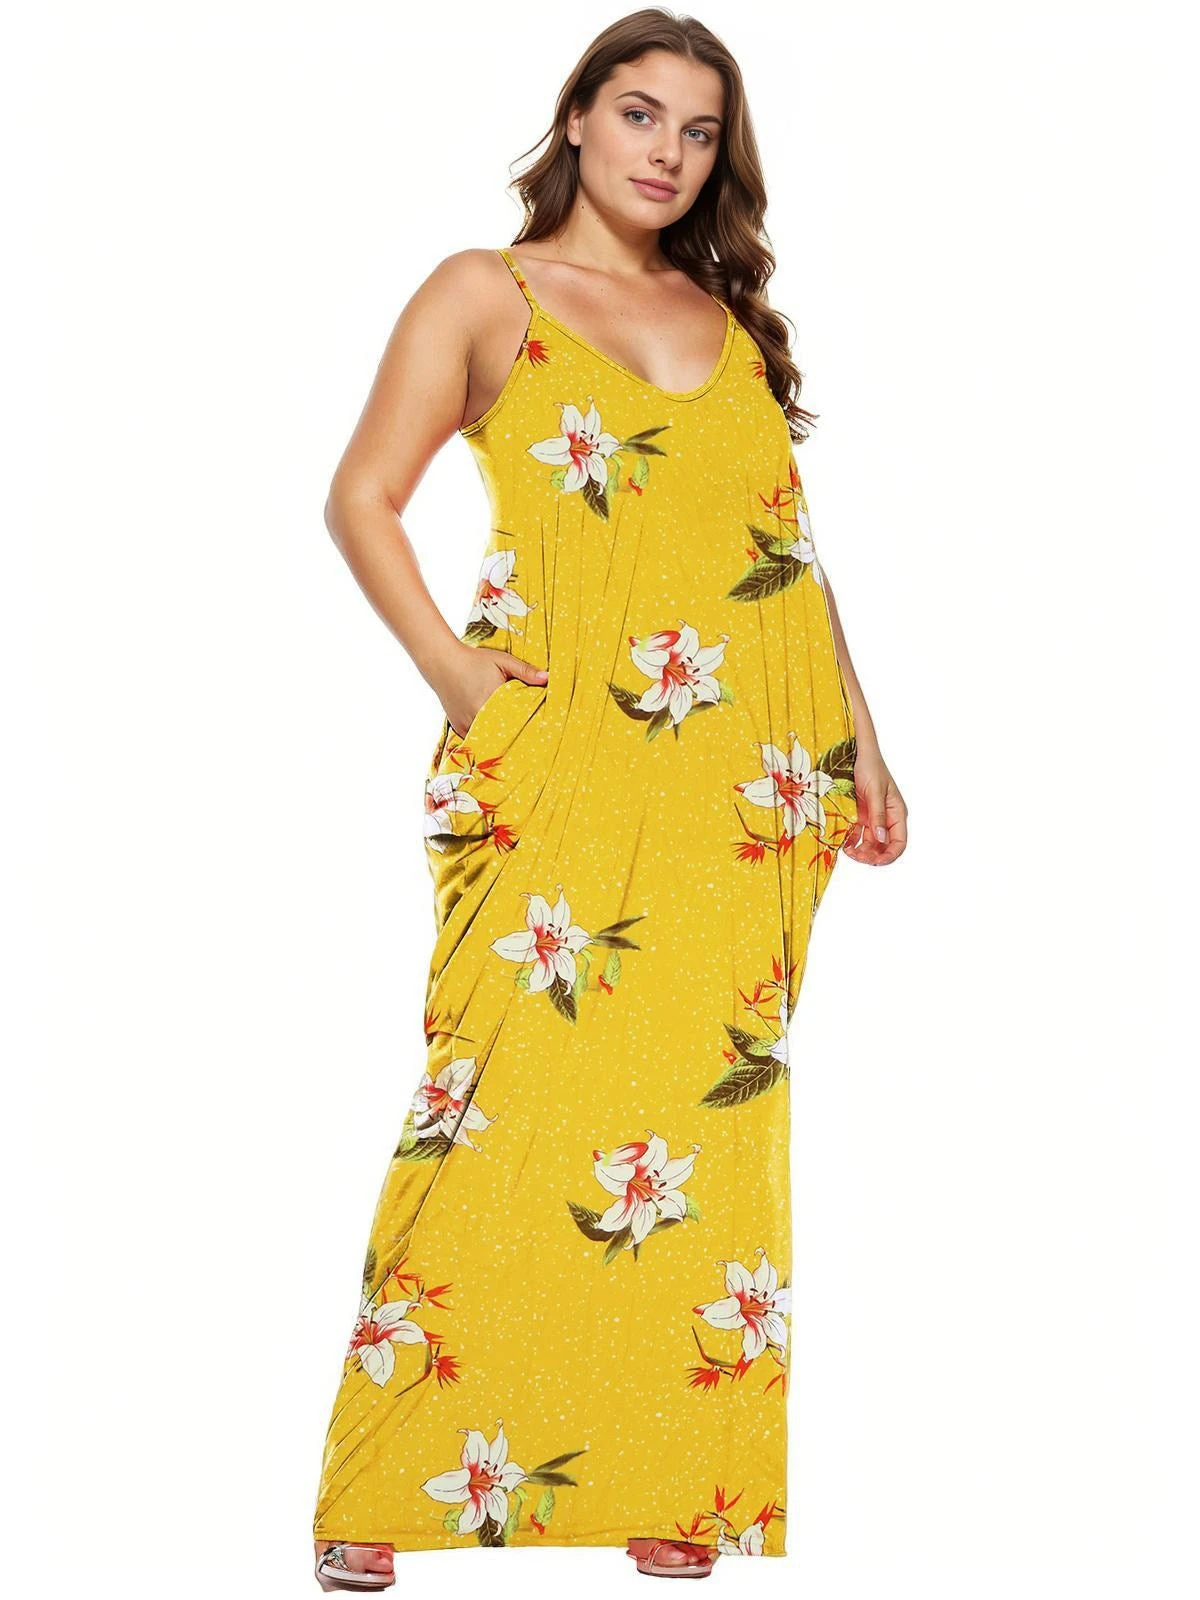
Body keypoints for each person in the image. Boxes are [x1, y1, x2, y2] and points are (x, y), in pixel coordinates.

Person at [311, 8, 907, 1590]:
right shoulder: (484, 292)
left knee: (699, 1125)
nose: (668, 151)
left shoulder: (732, 319)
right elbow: (361, 496)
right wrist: (454, 673)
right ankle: (386, 1485)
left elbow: (780, 551)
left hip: (747, 783)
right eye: (639, 113)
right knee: (495, 1096)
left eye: (699, 131)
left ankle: (671, 1473)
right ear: (576, 118)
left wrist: (862, 738)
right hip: (561, 757)